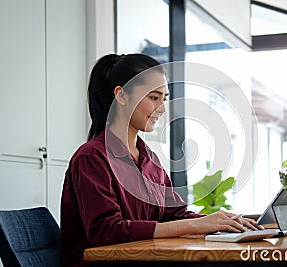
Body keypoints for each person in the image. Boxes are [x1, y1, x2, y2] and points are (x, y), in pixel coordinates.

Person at [60, 53, 263, 267]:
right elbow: (107, 231)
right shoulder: (91, 157)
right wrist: (195, 226)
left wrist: (218, 223)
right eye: (154, 97)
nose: (162, 108)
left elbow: (172, 215)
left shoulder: (149, 159)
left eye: (163, 99)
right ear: (121, 95)